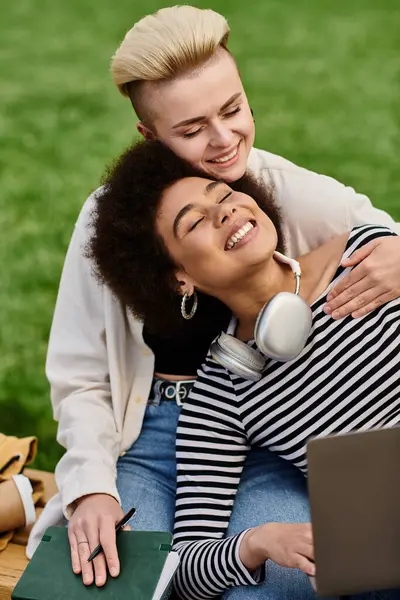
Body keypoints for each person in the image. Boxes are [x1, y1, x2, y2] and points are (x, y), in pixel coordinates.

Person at [27, 5, 400, 599]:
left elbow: (381, 237)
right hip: (150, 432)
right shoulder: (112, 226)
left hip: (265, 444)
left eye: (232, 109)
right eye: (193, 128)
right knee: (107, 584)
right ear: (150, 135)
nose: (225, 142)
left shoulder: (275, 189)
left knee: (288, 583)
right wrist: (92, 484)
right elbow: (80, 378)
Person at [86, 138, 400, 600]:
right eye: (195, 222)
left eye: (224, 195)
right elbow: (186, 569)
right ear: (180, 278)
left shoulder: (370, 258)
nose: (225, 213)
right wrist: (258, 544)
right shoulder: (225, 389)